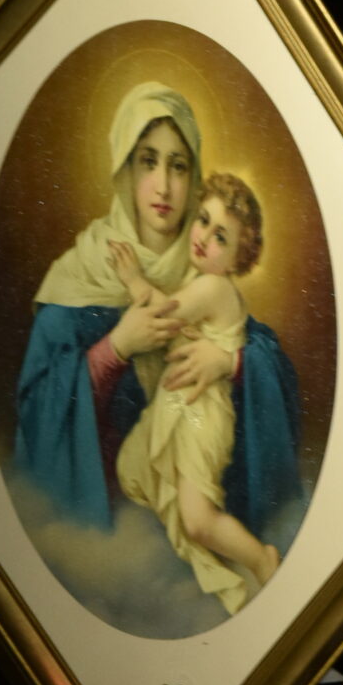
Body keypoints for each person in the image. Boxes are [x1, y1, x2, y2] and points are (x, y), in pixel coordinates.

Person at [12, 82, 302, 551]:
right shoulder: (80, 274)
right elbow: (35, 414)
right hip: (104, 536)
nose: (164, 186)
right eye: (148, 161)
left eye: (179, 166)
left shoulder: (208, 270)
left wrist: (231, 363)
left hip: (190, 522)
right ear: (125, 168)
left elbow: (275, 370)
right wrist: (115, 349)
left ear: (195, 176)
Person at [111, 174, 281, 613]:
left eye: (221, 236)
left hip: (203, 415)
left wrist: (133, 280)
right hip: (183, 405)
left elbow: (163, 316)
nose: (204, 237)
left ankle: (261, 560)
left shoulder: (214, 287)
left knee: (199, 521)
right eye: (203, 220)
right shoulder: (201, 280)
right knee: (140, 472)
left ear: (239, 256)